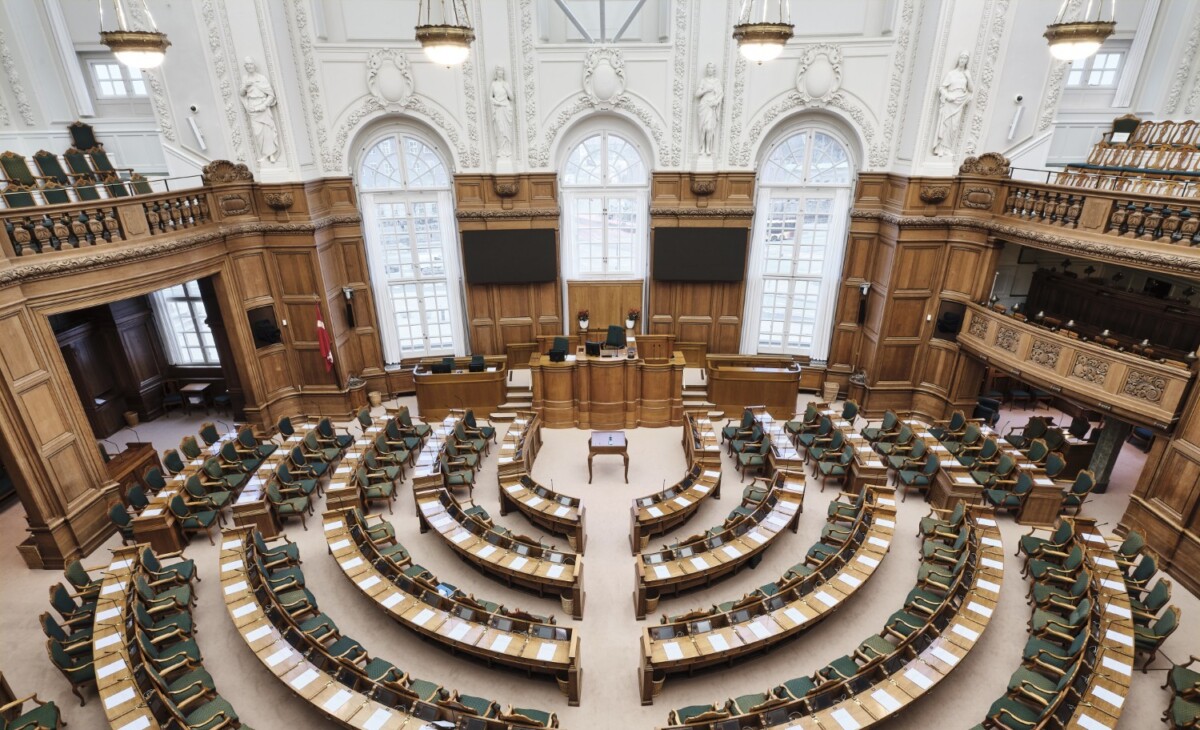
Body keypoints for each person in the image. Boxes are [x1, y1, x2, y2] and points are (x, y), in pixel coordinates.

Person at [933, 52, 973, 157]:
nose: (962, 60)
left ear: (967, 61)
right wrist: (948, 96)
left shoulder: (966, 75)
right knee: (946, 124)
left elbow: (971, 89)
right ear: (958, 59)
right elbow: (942, 88)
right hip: (951, 101)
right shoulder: (951, 74)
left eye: (965, 58)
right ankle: (940, 148)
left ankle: (948, 148)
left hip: (960, 102)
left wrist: (968, 77)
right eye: (961, 57)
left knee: (954, 126)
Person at [240, 57, 280, 163]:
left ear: (254, 65)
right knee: (257, 132)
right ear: (245, 67)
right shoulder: (245, 78)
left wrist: (264, 105)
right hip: (252, 107)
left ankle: (271, 154)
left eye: (251, 64)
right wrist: (245, 87)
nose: (249, 66)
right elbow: (241, 94)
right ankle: (264, 153)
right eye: (247, 65)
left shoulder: (261, 78)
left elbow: (270, 94)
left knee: (267, 130)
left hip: (262, 105)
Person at [695, 63, 723, 157]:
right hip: (704, 105)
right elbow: (697, 94)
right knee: (702, 128)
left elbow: (720, 94)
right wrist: (705, 90)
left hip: (711, 106)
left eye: (711, 68)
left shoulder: (717, 81)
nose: (710, 69)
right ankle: (702, 147)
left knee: (709, 128)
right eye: (708, 68)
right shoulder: (703, 81)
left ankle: (708, 148)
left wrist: (716, 102)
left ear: (714, 70)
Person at [490, 66, 514, 159]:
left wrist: (507, 88)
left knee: (507, 130)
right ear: (496, 73)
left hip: (506, 108)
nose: (501, 73)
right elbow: (490, 97)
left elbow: (511, 98)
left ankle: (507, 150)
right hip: (498, 109)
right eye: (499, 71)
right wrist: (497, 102)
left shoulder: (505, 84)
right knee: (500, 129)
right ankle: (500, 150)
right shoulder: (493, 84)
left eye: (502, 71)